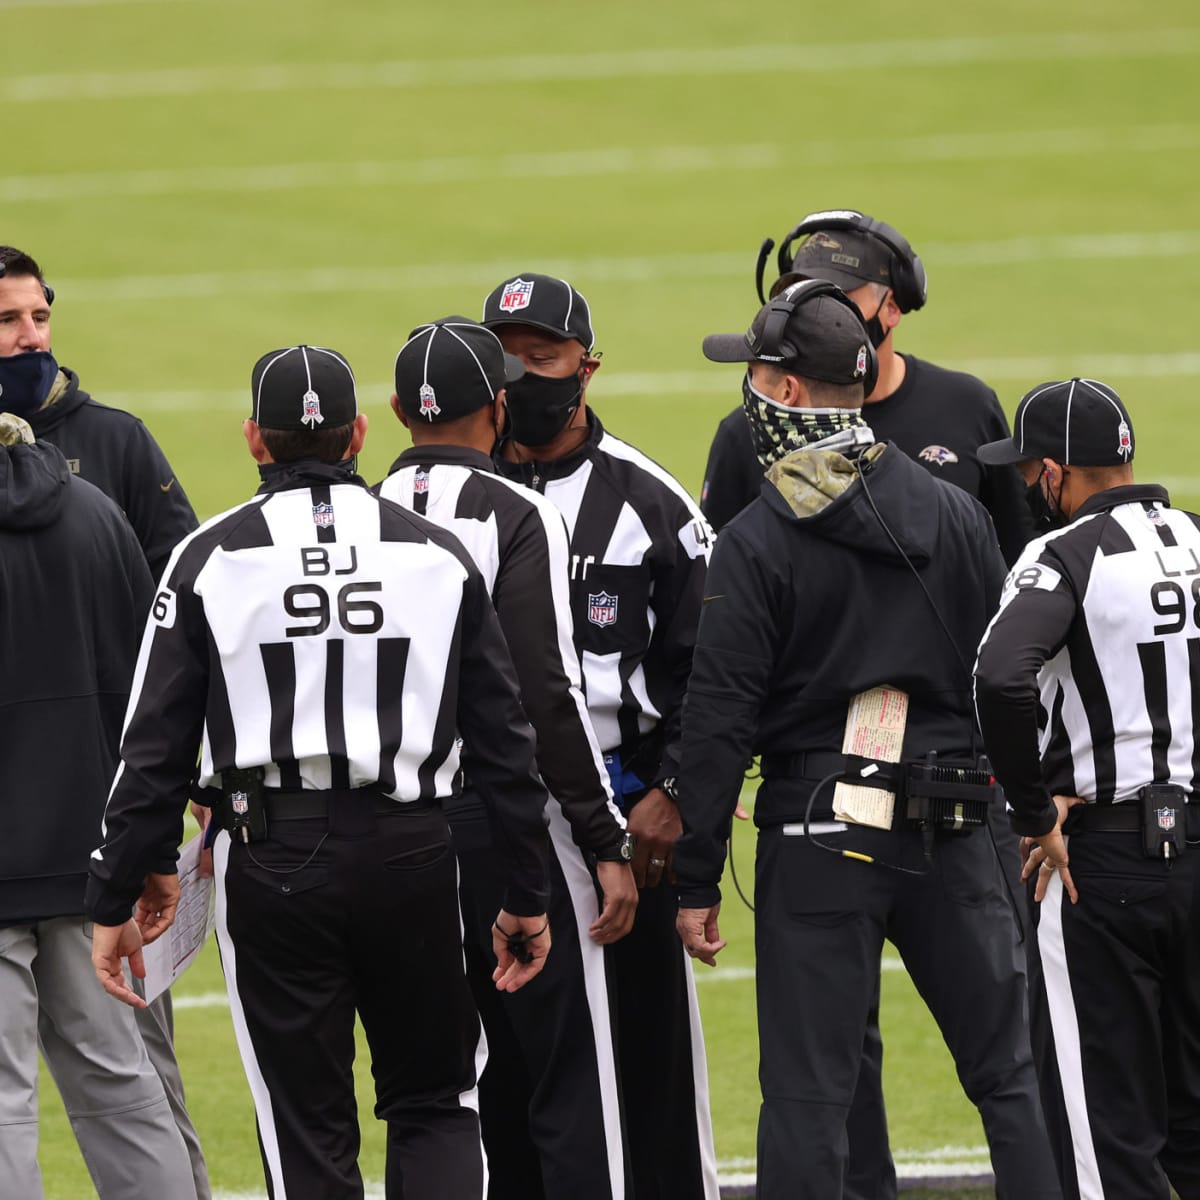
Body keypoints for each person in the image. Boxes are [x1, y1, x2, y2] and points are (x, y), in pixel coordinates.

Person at [84, 345, 554, 1200]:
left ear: (255, 441)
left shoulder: (208, 559)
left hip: (272, 858)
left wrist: (120, 889)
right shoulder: (434, 555)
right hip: (412, 848)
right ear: (361, 434)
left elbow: (151, 749)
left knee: (305, 1122)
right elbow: (505, 741)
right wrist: (525, 890)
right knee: (436, 1102)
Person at [673, 279, 1060, 1200]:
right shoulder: (960, 514)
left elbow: (718, 711)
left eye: (762, 374)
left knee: (809, 1097)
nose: (753, 392)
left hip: (820, 832)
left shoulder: (758, 537)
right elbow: (1000, 674)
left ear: (794, 392)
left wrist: (695, 875)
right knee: (1011, 1079)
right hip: (959, 818)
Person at [377, 315, 638, 1199]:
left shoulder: (359, 512)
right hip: (504, 830)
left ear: (396, 413)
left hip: (393, 834)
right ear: (497, 405)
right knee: (568, 1083)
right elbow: (543, 698)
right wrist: (603, 840)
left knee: (433, 1092)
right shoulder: (518, 511)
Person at [481, 274, 720, 1200]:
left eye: (540, 359)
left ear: (587, 367)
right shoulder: (452, 491)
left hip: (624, 818)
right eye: (504, 359)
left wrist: (676, 802)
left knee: (644, 1070)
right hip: (491, 820)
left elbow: (716, 674)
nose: (521, 376)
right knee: (498, 1070)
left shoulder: (653, 505)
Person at [0, 244, 209, 1196]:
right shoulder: (93, 512)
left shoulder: (108, 464)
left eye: (37, 317)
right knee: (122, 1090)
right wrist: (150, 847)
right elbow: (150, 694)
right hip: (90, 861)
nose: (29, 340)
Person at [974, 378, 1200, 1200]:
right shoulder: (1197, 537)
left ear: (1055, 473)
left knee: (1105, 1131)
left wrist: (1037, 811)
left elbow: (1000, 677)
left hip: (1103, 865)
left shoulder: (1063, 554)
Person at [698, 210, 1030, 564]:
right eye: (802, 296)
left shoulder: (969, 406)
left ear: (892, 308)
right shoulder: (745, 432)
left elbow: (1016, 555)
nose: (816, 311)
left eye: (839, 296)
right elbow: (716, 574)